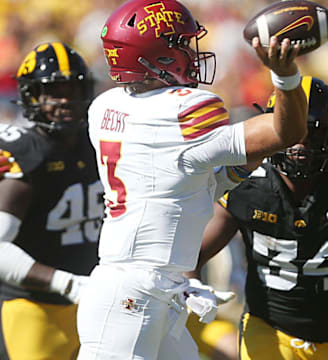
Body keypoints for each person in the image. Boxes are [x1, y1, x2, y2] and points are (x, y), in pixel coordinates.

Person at [76, 0, 307, 359]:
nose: (191, 52)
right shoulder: (183, 111)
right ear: (157, 57)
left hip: (147, 285)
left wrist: (240, 167)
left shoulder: (105, 106)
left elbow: (189, 178)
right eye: (181, 43)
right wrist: (286, 75)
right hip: (132, 294)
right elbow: (287, 131)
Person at [188, 76, 328, 359]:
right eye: (295, 133)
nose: (302, 146)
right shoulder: (246, 182)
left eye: (315, 134)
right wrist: (191, 287)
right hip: (266, 329)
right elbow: (191, 254)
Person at [0, 41, 104, 360]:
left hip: (98, 303)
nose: (65, 101)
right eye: (53, 92)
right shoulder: (27, 154)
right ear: (33, 97)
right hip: (34, 307)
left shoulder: (101, 141)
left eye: (73, 90)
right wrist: (69, 284)